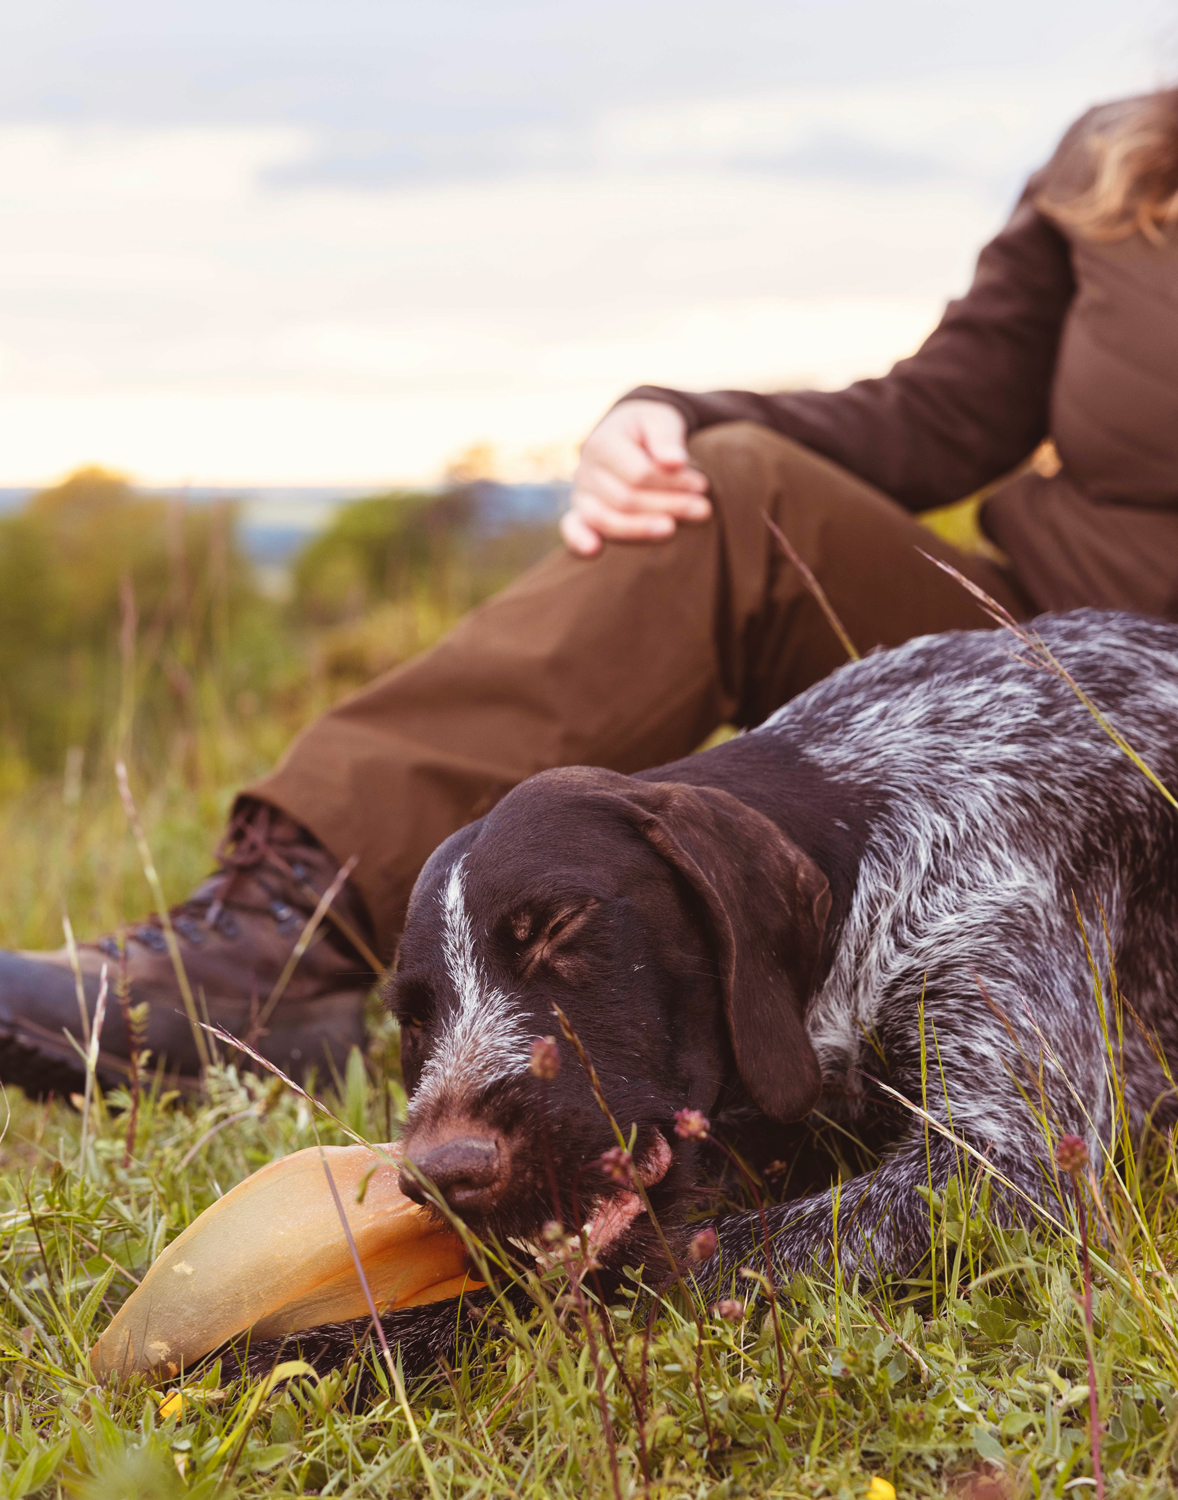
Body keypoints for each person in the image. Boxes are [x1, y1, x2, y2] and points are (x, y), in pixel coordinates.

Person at [2, 89, 1175, 1094]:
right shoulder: (1118, 160)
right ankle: (277, 944)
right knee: (723, 491)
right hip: (1037, 646)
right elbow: (938, 417)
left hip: (1152, 725)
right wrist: (671, 415)